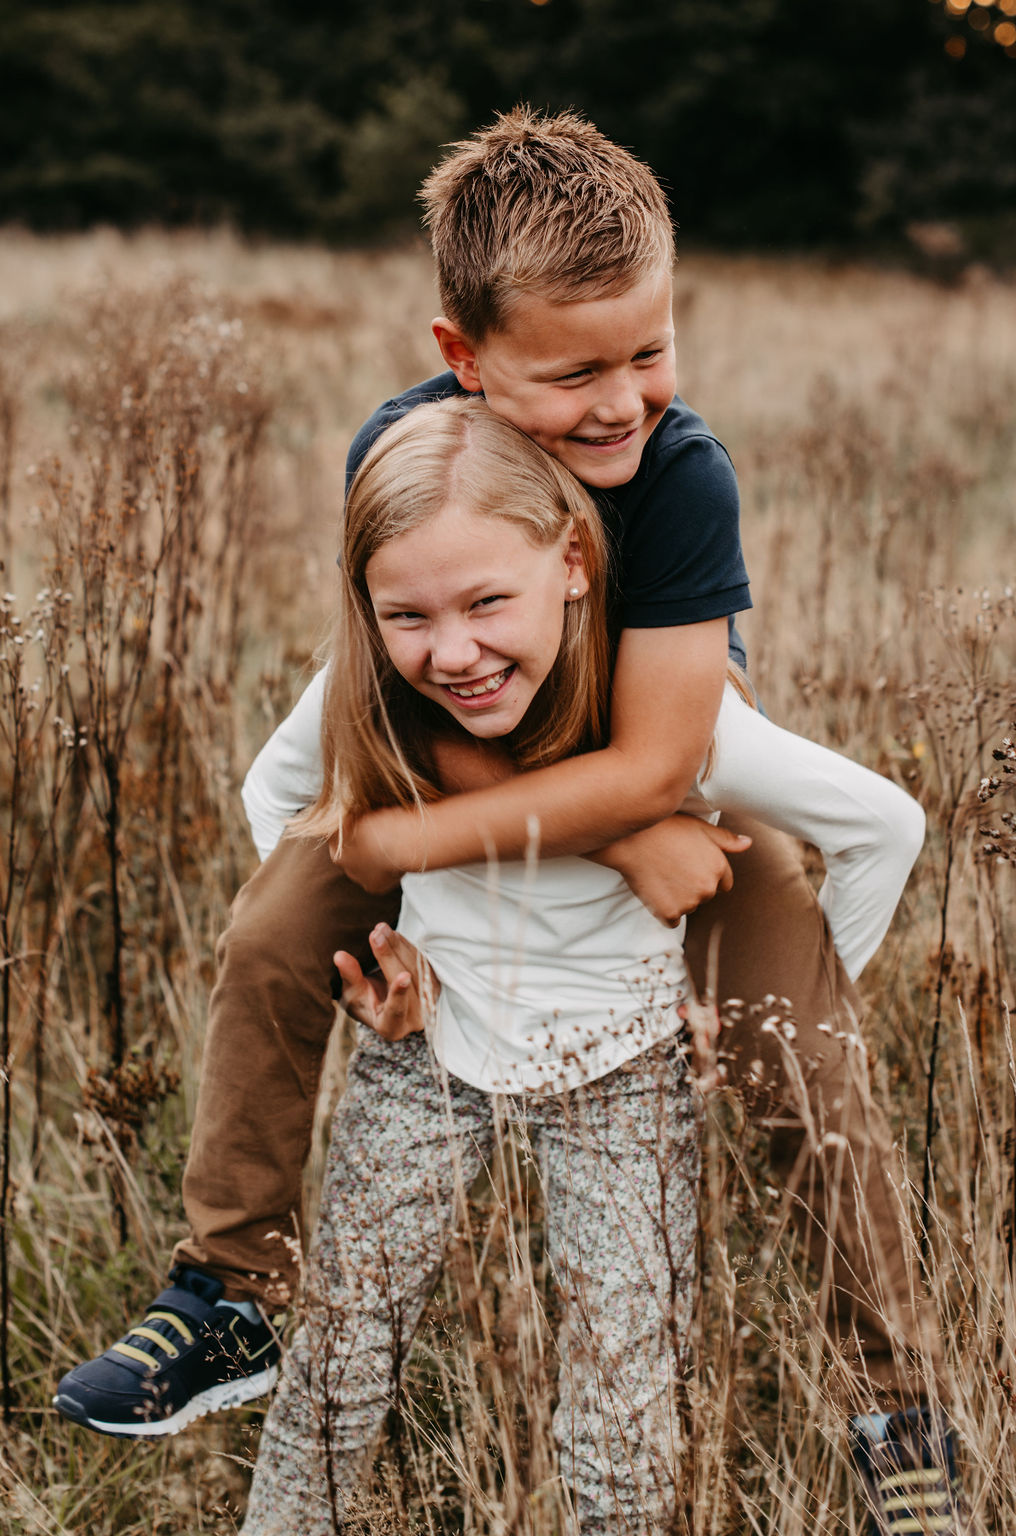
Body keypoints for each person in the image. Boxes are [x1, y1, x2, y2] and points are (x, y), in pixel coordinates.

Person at [54, 106, 961, 1533]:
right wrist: (401, 919)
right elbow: (374, 725)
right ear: (462, 362)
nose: (622, 400)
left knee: (816, 1075)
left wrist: (714, 992)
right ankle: (227, 1291)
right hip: (465, 770)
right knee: (279, 921)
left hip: (677, 775)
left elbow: (659, 770)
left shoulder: (676, 474)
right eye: (576, 370)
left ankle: (896, 1406)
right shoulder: (413, 474)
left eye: (650, 352)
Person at [240, 395, 925, 1535]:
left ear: (569, 565)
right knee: (337, 1368)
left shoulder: (684, 719)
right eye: (409, 615)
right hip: (435, 1055)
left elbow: (883, 830)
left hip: (623, 1069)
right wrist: (376, 956)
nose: (451, 651)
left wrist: (746, 1027)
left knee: (620, 1418)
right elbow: (277, 793)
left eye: (486, 605)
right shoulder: (391, 699)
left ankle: (904, 1416)